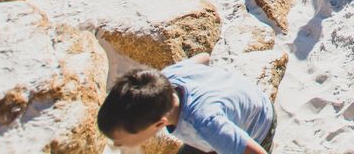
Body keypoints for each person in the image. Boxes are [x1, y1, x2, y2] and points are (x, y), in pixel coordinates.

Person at [97, 55, 275, 153]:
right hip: (241, 98)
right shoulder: (163, 81)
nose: (117, 145)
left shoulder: (206, 124)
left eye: (120, 141)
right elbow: (204, 58)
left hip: (257, 128)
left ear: (160, 123)